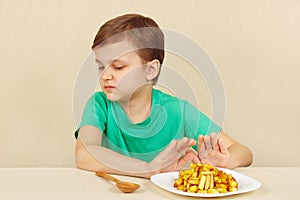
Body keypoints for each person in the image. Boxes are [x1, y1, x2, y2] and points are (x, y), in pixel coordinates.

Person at [74, 13, 252, 178]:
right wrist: (148, 168)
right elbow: (84, 153)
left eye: (118, 67)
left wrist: (227, 160)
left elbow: (243, 152)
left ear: (151, 70)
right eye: (100, 66)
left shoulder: (178, 111)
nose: (105, 75)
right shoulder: (99, 105)